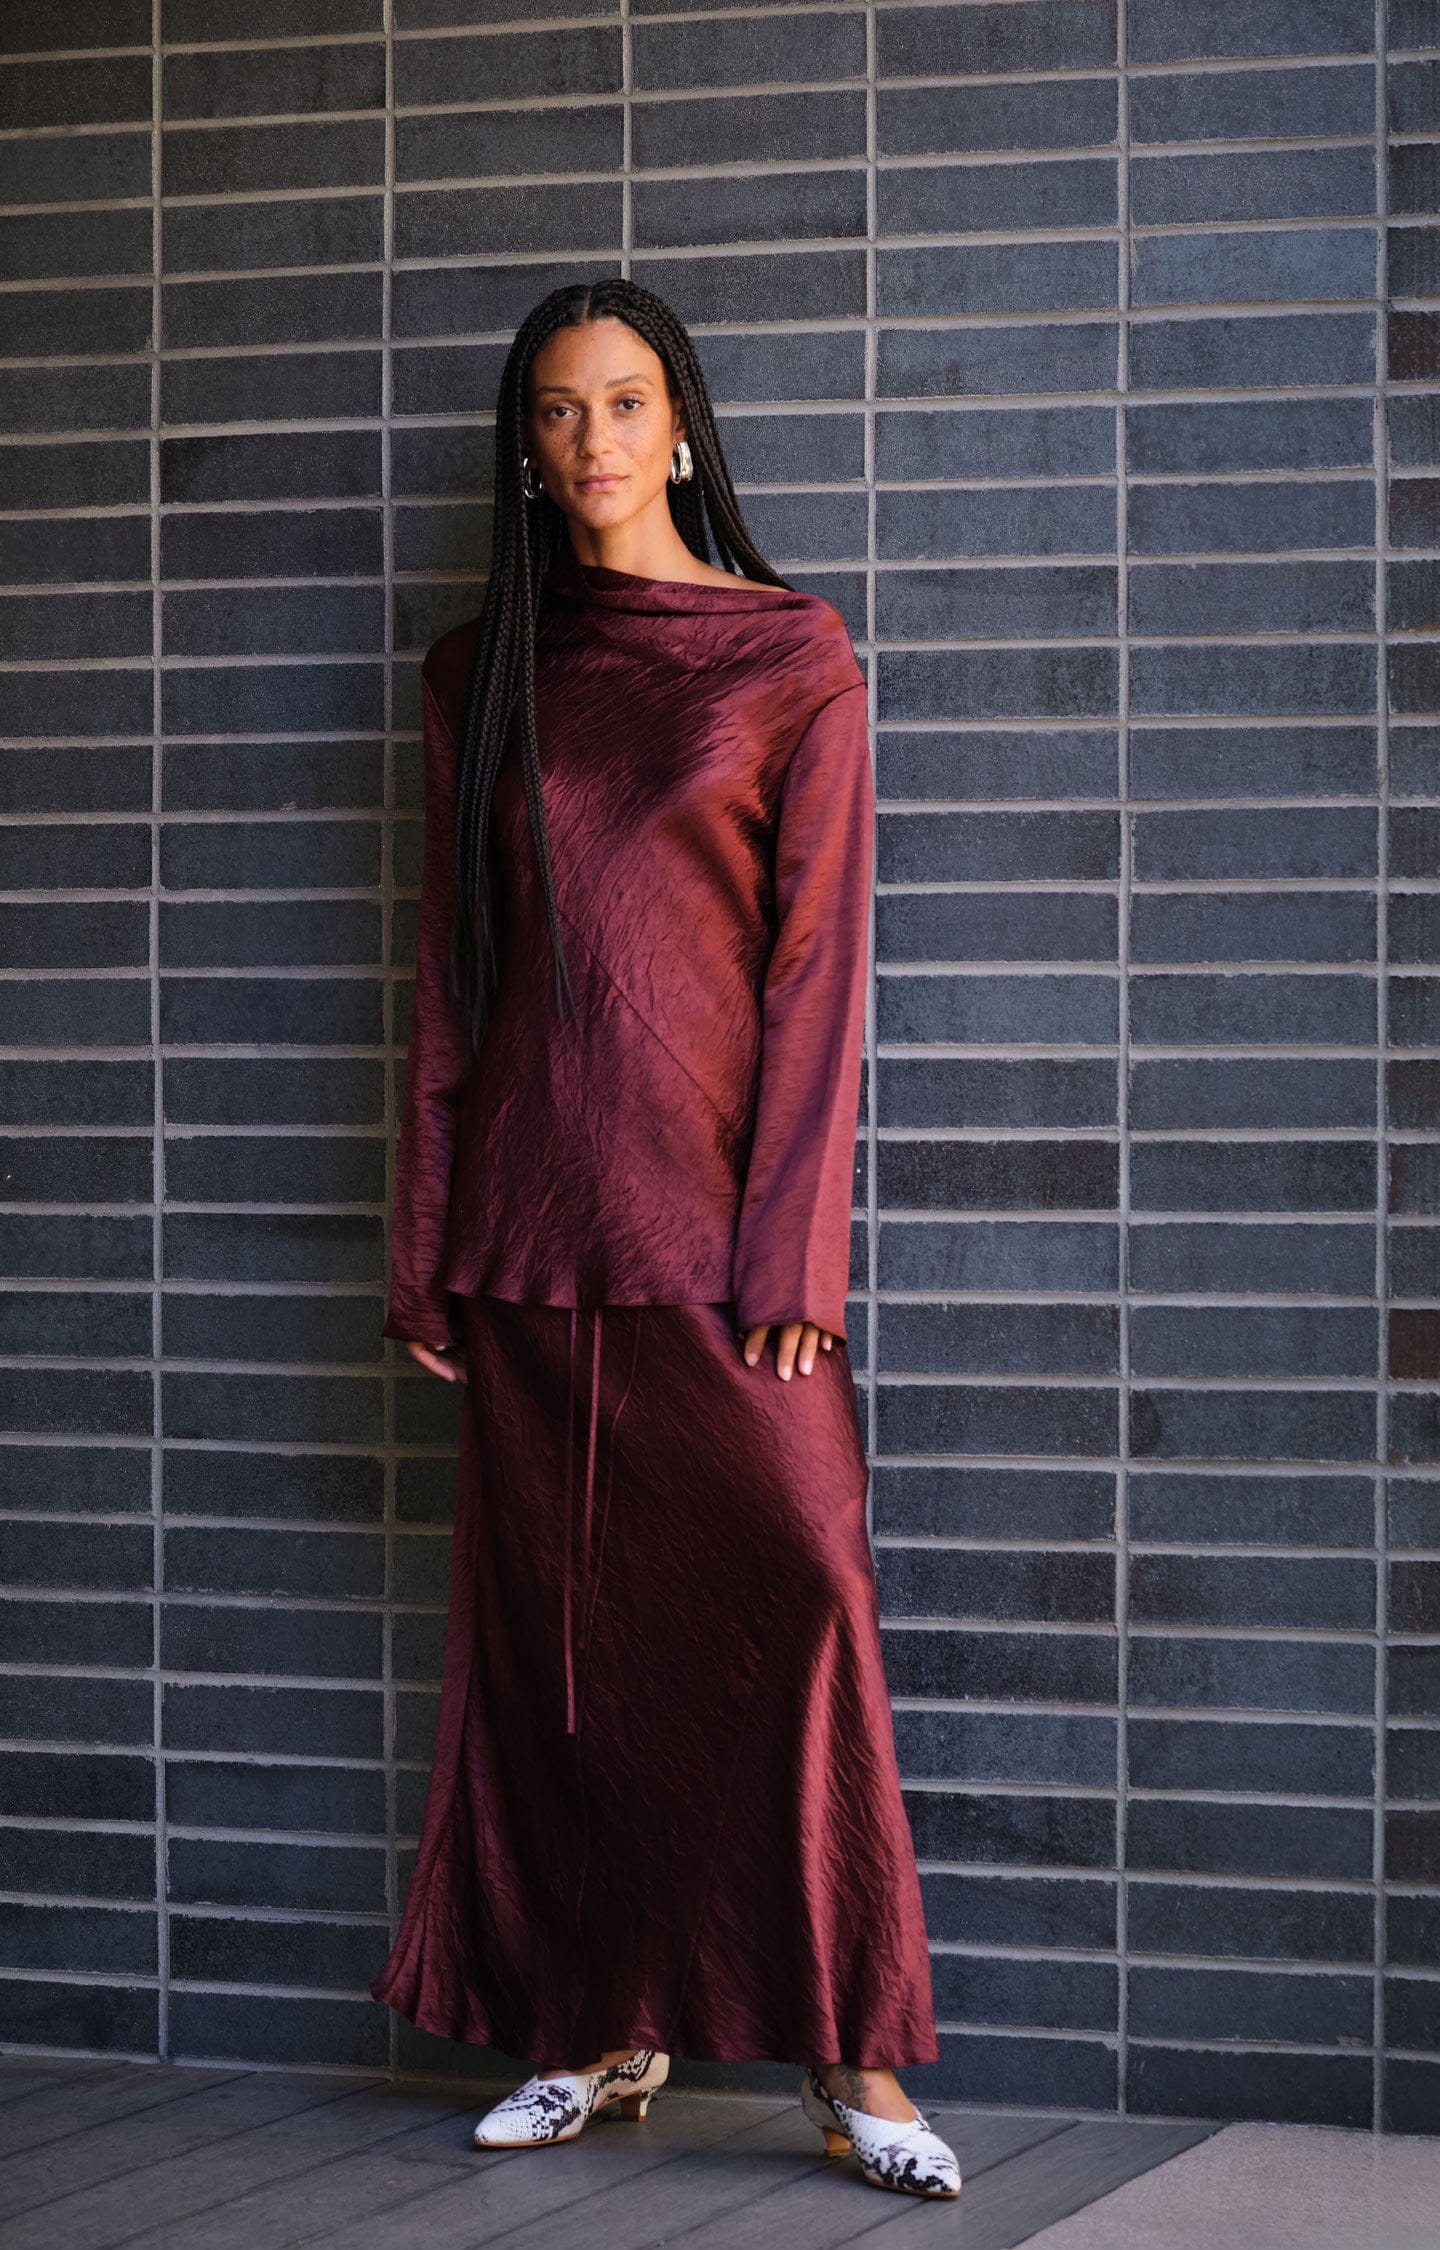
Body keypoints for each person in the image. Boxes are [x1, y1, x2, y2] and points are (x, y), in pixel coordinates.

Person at [370, 277, 961, 2201]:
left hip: (716, 1240)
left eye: (625, 402)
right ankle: (594, 2028)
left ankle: (852, 2060)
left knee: (805, 1592)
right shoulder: (480, 673)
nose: (594, 439)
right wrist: (427, 1235)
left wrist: (792, 1262)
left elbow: (820, 974)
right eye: (558, 411)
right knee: (558, 1649)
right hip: (531, 1233)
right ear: (526, 452)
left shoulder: (794, 655)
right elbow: (455, 979)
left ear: (682, 426)